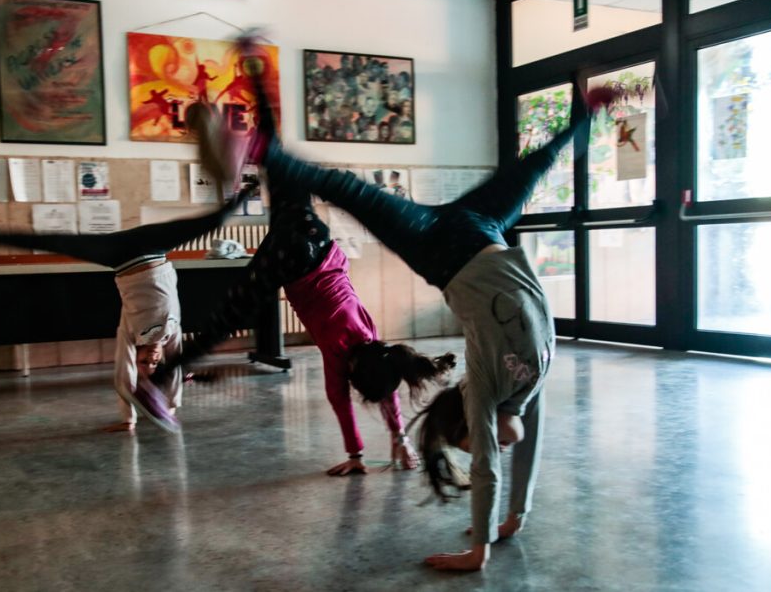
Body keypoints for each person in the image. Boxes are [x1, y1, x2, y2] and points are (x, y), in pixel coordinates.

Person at [237, 34, 613, 571]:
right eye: (482, 448)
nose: (491, 450)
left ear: (470, 420)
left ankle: (266, 153)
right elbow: (529, 447)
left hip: (439, 247)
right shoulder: (529, 388)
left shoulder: (486, 385)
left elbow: (489, 466)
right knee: (535, 169)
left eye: (473, 443)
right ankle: (587, 114)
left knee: (349, 191)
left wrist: (478, 550)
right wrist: (516, 518)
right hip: (485, 230)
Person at [154, 70, 455, 475]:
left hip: (319, 241)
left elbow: (387, 380)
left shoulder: (372, 341)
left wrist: (392, 441)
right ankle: (163, 375)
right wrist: (357, 454)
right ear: (353, 372)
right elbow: (341, 401)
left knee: (280, 162)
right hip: (292, 261)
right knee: (226, 316)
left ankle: (254, 67)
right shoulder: (339, 355)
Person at [0, 185, 255, 433]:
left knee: (57, 242)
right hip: (153, 248)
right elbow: (175, 370)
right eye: (155, 364)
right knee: (210, 221)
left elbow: (123, 375)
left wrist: (130, 418)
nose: (151, 360)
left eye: (144, 365)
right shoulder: (172, 333)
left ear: (137, 357)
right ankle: (247, 190)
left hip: (121, 256)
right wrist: (170, 407)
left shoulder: (130, 330)